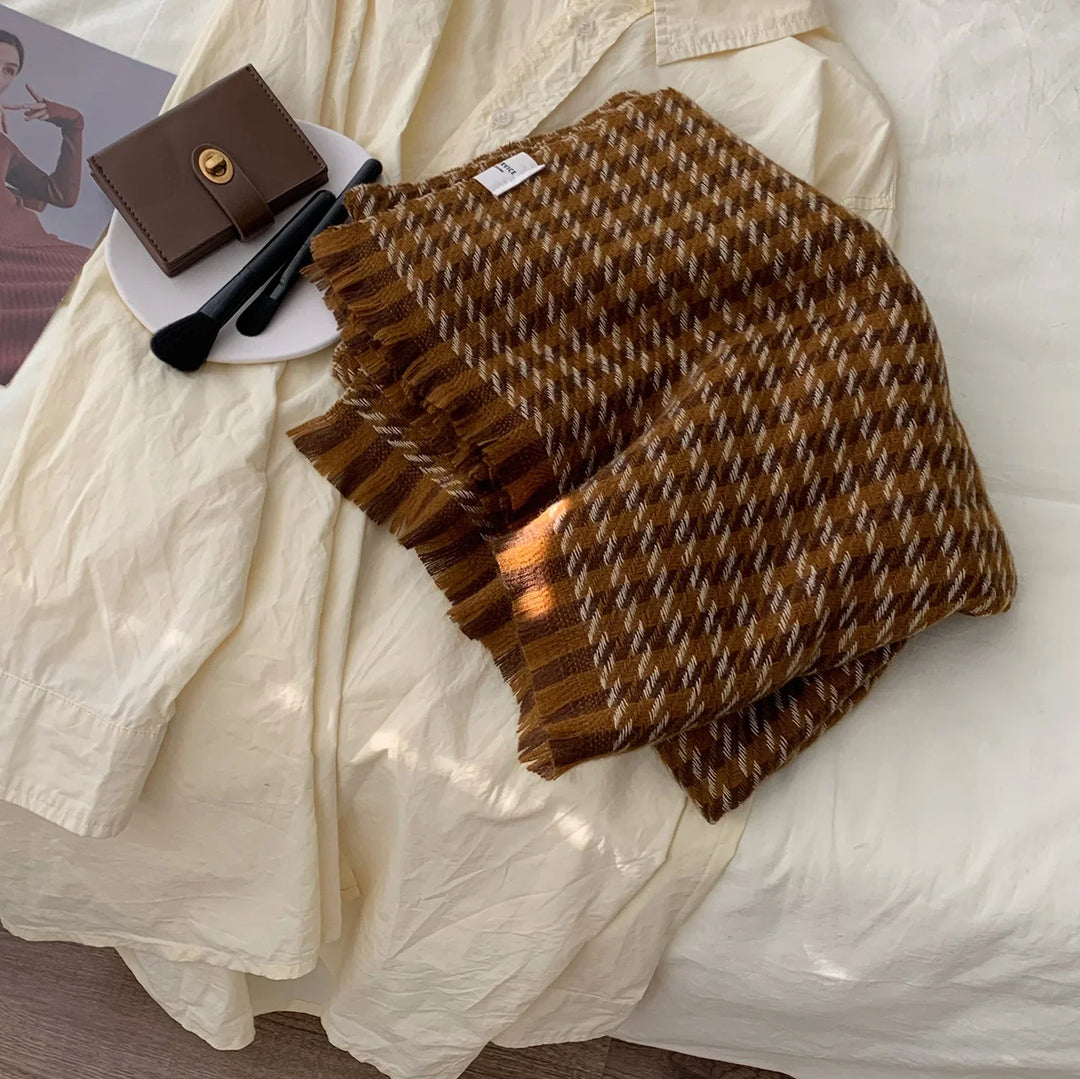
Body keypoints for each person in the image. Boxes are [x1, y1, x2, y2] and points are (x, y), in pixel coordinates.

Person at [1, 29, 90, 385]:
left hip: (45, 253)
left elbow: (61, 194)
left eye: (8, 70)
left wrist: (72, 124)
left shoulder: (2, 143)